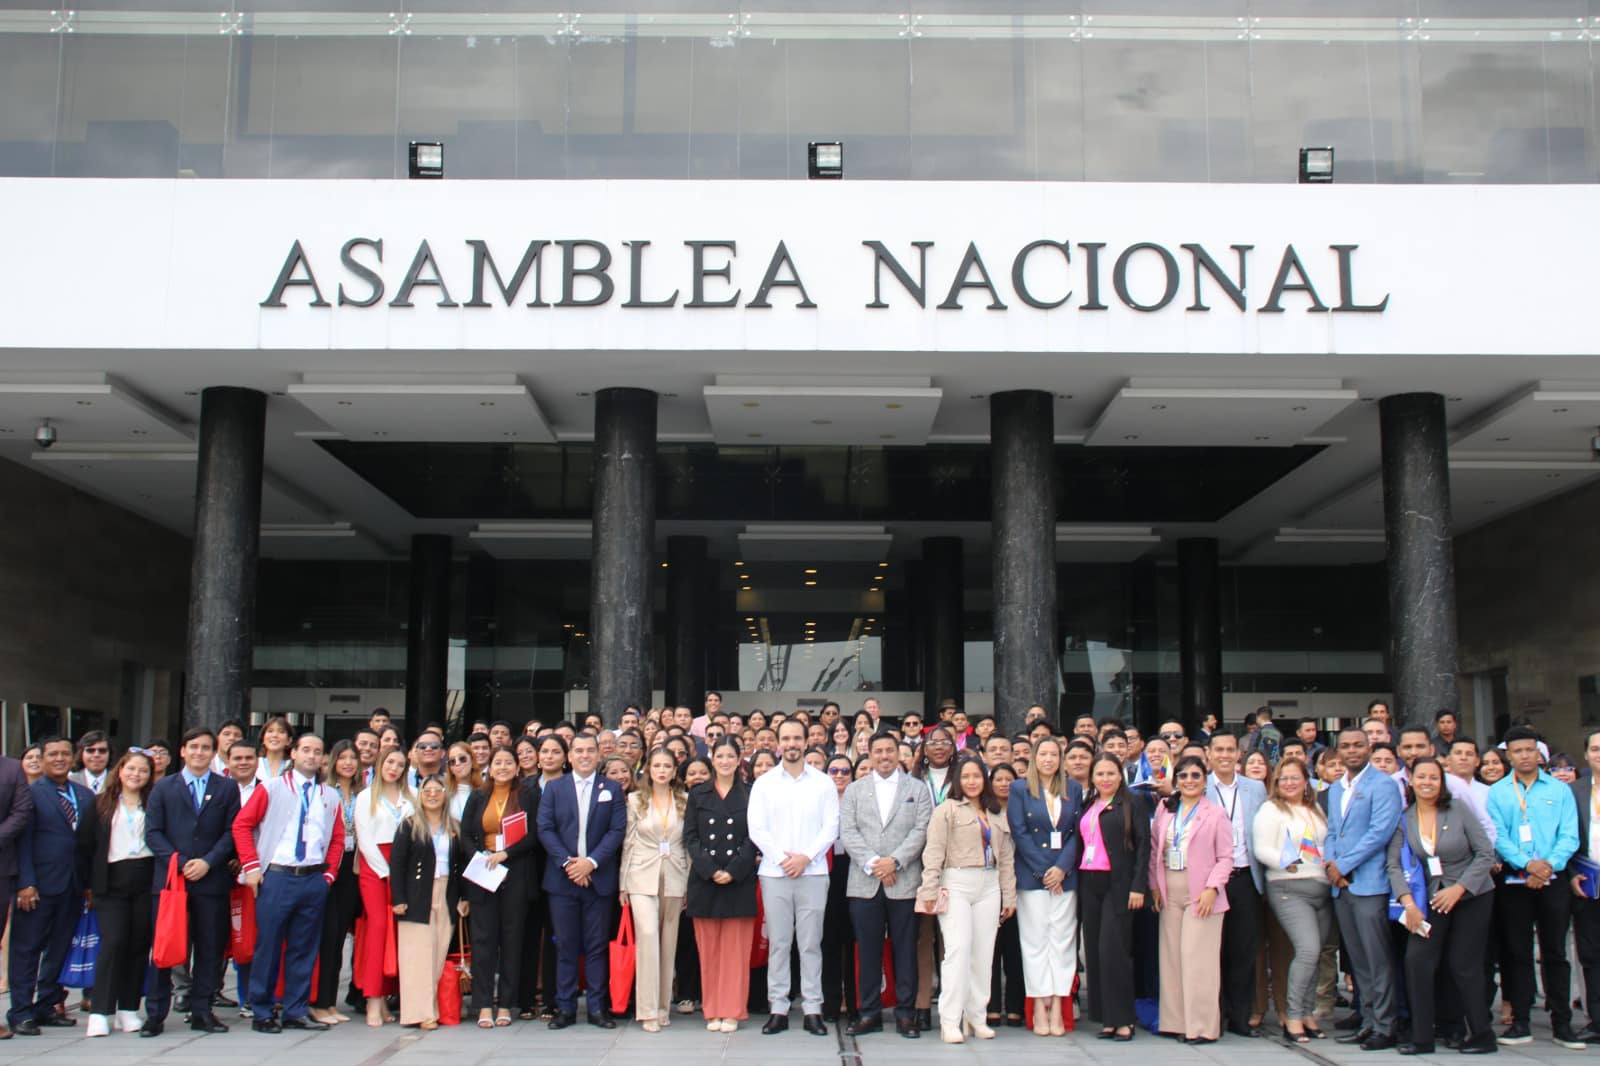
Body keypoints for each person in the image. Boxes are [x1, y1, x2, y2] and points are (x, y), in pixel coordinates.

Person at [233, 732, 346, 1034]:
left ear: (324, 759)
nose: (311, 756)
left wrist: (329, 875)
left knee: (304, 948)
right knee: (268, 946)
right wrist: (253, 867)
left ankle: (295, 1010)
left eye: (317, 751)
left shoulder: (330, 796)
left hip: (313, 878)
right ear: (293, 753)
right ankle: (262, 1009)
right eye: (305, 750)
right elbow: (242, 825)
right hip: (279, 876)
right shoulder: (271, 788)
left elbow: (336, 839)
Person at [1388, 756, 1497, 1055]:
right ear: (1410, 780)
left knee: (1464, 965)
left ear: (1442, 782)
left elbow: (1485, 853)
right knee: (1417, 961)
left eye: (1433, 778)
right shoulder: (1404, 818)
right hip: (1431, 898)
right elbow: (1394, 866)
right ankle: (1423, 1037)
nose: (1427, 783)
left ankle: (1482, 1035)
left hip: (1471, 895)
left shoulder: (1459, 810)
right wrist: (1408, 904)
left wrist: (1459, 889)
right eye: (1421, 777)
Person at [1488, 725, 1582, 1048]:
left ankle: (1562, 1022)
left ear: (1539, 753)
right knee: (1517, 952)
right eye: (1517, 751)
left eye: (1530, 750)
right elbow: (1497, 835)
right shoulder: (1498, 792)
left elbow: (1569, 834)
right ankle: (1521, 1022)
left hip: (1552, 880)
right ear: (1508, 755)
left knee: (1555, 951)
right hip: (1515, 880)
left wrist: (1547, 867)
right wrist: (1527, 865)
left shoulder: (1559, 791)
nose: (1524, 756)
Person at [142, 727, 239, 1037]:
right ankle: (155, 1014)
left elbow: (231, 832)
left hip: (211, 881)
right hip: (173, 882)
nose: (199, 752)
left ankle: (202, 1010)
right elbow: (153, 833)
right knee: (165, 948)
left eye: (206, 747)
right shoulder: (164, 788)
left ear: (214, 753)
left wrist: (208, 862)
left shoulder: (226, 787)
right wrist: (182, 864)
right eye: (193, 747)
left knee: (209, 949)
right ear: (182, 751)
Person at [747, 717, 840, 1036]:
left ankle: (813, 1008)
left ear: (806, 742)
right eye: (785, 739)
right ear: (777, 743)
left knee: (811, 943)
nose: (791, 744)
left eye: (796, 738)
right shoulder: (764, 783)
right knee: (779, 943)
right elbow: (756, 828)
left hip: (813, 873)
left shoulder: (823, 782)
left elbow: (830, 827)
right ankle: (778, 1008)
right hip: (775, 874)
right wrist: (783, 859)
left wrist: (805, 857)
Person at [839, 731, 933, 1039]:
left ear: (898, 753)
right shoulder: (855, 790)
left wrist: (895, 862)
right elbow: (849, 832)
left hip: (904, 881)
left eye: (889, 751)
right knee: (868, 950)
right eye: (878, 751)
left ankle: (906, 1014)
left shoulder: (916, 789)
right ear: (868, 753)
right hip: (864, 883)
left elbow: (921, 830)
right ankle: (870, 1013)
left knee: (905, 948)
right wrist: (874, 864)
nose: (884, 756)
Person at [918, 757, 1016, 1044]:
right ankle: (950, 1020)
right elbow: (933, 852)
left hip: (989, 884)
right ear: (957, 781)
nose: (972, 781)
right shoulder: (946, 810)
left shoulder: (995, 812)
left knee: (983, 954)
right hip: (956, 882)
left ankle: (977, 1016)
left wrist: (1008, 895)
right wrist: (929, 889)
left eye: (977, 776)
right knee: (958, 950)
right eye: (966, 776)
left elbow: (1007, 857)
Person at [537, 732, 627, 1029]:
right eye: (579, 751)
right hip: (562, 882)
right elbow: (545, 828)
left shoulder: (611, 789)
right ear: (569, 756)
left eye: (591, 750)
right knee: (565, 945)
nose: (585, 755)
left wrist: (590, 863)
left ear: (598, 755)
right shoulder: (554, 788)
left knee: (597, 946)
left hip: (598, 879)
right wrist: (569, 864)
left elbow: (616, 831)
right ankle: (565, 1008)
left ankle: (598, 1008)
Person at [1324, 727, 1404, 1051]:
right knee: (1357, 959)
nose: (1352, 750)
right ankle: (1368, 1020)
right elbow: (1331, 831)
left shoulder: (1383, 785)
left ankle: (1385, 1026)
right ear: (1338, 751)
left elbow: (1379, 833)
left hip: (1369, 883)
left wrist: (1344, 865)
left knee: (1377, 959)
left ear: (1368, 748)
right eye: (1345, 746)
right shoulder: (1334, 789)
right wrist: (1331, 864)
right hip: (1341, 886)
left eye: (1358, 745)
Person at [1149, 754, 1232, 1044]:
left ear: (1205, 780)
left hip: (1202, 891)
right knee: (1171, 957)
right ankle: (1176, 1022)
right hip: (1169, 885)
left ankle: (1202, 1026)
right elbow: (1155, 849)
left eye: (1195, 776)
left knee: (1198, 959)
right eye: (1183, 776)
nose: (1189, 781)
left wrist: (1213, 888)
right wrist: (1154, 886)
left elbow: (1226, 858)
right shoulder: (1165, 809)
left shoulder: (1216, 814)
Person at [1250, 757, 1332, 1044]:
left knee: (1317, 952)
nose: (1288, 783)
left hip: (1322, 887)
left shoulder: (1315, 808)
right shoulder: (1270, 810)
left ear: (1305, 781)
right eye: (1283, 778)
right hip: (1289, 887)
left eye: (1294, 778)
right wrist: (1287, 864)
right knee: (1307, 950)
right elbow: (1262, 848)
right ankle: (1293, 1015)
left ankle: (1307, 1013)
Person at [1006, 736, 1082, 1037]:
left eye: (1054, 754)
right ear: (1034, 758)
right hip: (1032, 876)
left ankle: (1058, 1004)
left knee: (1062, 942)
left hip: (1065, 876)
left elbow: (1078, 832)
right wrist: (1044, 871)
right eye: (1043, 754)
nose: (1048, 759)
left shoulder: (1073, 789)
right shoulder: (1019, 789)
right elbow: (1019, 832)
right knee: (1035, 942)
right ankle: (1039, 1004)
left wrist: (1061, 868)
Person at [461, 745, 541, 1028]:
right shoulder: (478, 795)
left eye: (509, 762)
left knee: (511, 940)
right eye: (498, 763)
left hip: (515, 872)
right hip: (484, 875)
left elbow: (534, 834)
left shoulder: (528, 794)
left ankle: (506, 1003)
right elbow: (466, 834)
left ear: (517, 767)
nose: (503, 767)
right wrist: (480, 857)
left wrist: (507, 854)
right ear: (489, 768)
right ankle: (483, 1004)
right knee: (483, 942)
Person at [685, 737, 758, 1033]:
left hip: (738, 879)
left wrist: (735, 870)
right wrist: (711, 870)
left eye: (730, 755)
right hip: (706, 879)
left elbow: (755, 837)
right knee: (709, 950)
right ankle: (712, 1009)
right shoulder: (698, 793)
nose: (725, 761)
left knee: (735, 951)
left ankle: (733, 1009)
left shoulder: (751, 794)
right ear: (711, 759)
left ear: (739, 759)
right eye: (720, 756)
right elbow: (690, 837)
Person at [85, 750, 156, 1037]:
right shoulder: (101, 804)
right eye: (131, 769)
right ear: (120, 770)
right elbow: (84, 846)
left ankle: (128, 1008)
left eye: (143, 771)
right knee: (113, 943)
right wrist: (87, 885)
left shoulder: (153, 802)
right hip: (110, 883)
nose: (136, 775)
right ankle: (100, 1010)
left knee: (139, 945)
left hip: (144, 879)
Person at [1078, 754, 1148, 1042]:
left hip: (1118, 884)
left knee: (1113, 950)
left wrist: (1138, 886)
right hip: (1089, 881)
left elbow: (1145, 847)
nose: (1105, 778)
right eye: (1100, 773)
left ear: (1121, 776)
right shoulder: (1088, 805)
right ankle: (1106, 1019)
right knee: (1094, 952)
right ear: (1092, 777)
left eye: (1111, 773)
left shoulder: (1133, 804)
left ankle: (1124, 1019)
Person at [621, 747, 689, 1033]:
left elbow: (688, 843)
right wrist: (622, 883)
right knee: (648, 934)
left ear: (675, 771)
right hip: (640, 873)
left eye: (667, 766)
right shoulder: (635, 800)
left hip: (675, 873)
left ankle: (663, 1006)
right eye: (656, 765)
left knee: (668, 940)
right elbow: (628, 841)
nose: (662, 770)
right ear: (648, 769)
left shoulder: (685, 800)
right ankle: (646, 1009)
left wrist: (689, 883)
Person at [390, 774, 467, 1030]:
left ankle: (434, 1007)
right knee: (416, 955)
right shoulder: (409, 825)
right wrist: (398, 898)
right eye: (427, 791)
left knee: (438, 952)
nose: (432, 795)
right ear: (420, 796)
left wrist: (463, 897)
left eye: (438, 790)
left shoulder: (454, 826)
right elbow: (398, 864)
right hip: (416, 894)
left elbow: (461, 865)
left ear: (445, 794)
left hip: (446, 891)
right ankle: (419, 1013)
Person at [1204, 730, 1267, 1038]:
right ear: (1209, 754)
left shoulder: (1256, 789)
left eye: (1230, 749)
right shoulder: (1199, 786)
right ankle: (1213, 1014)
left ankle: (1240, 1017)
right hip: (1210, 881)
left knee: (1243, 951)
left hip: (1244, 876)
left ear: (1238, 754)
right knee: (1211, 950)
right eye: (1219, 750)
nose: (1225, 755)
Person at [353, 747, 413, 1026]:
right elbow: (364, 839)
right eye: (390, 762)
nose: (394, 768)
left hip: (402, 867)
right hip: (374, 867)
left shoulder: (409, 798)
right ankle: (372, 1000)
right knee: (377, 929)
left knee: (397, 932)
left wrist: (400, 873)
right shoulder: (366, 796)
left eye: (400, 765)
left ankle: (388, 998)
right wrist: (386, 872)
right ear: (380, 763)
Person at [312, 740, 363, 1025]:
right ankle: (318, 1001)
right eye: (342, 757)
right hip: (326, 866)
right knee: (325, 937)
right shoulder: (323, 792)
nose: (347, 763)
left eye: (352, 758)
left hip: (351, 868)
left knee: (339, 936)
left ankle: (329, 1002)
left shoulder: (361, 793)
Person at [818, 754, 858, 1024]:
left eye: (845, 770)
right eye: (834, 770)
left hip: (855, 872)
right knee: (828, 941)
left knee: (853, 942)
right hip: (825, 871)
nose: (839, 775)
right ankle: (831, 1001)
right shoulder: (819, 800)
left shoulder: (859, 801)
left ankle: (855, 1003)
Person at [445, 742, 480, 820]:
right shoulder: (445, 795)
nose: (457, 763)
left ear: (472, 760)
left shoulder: (484, 791)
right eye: (452, 761)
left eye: (462, 759)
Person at [256, 716, 292, 781]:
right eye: (270, 731)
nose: (275, 735)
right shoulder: (254, 764)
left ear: (289, 740)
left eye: (281, 732)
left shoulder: (294, 766)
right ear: (263, 739)